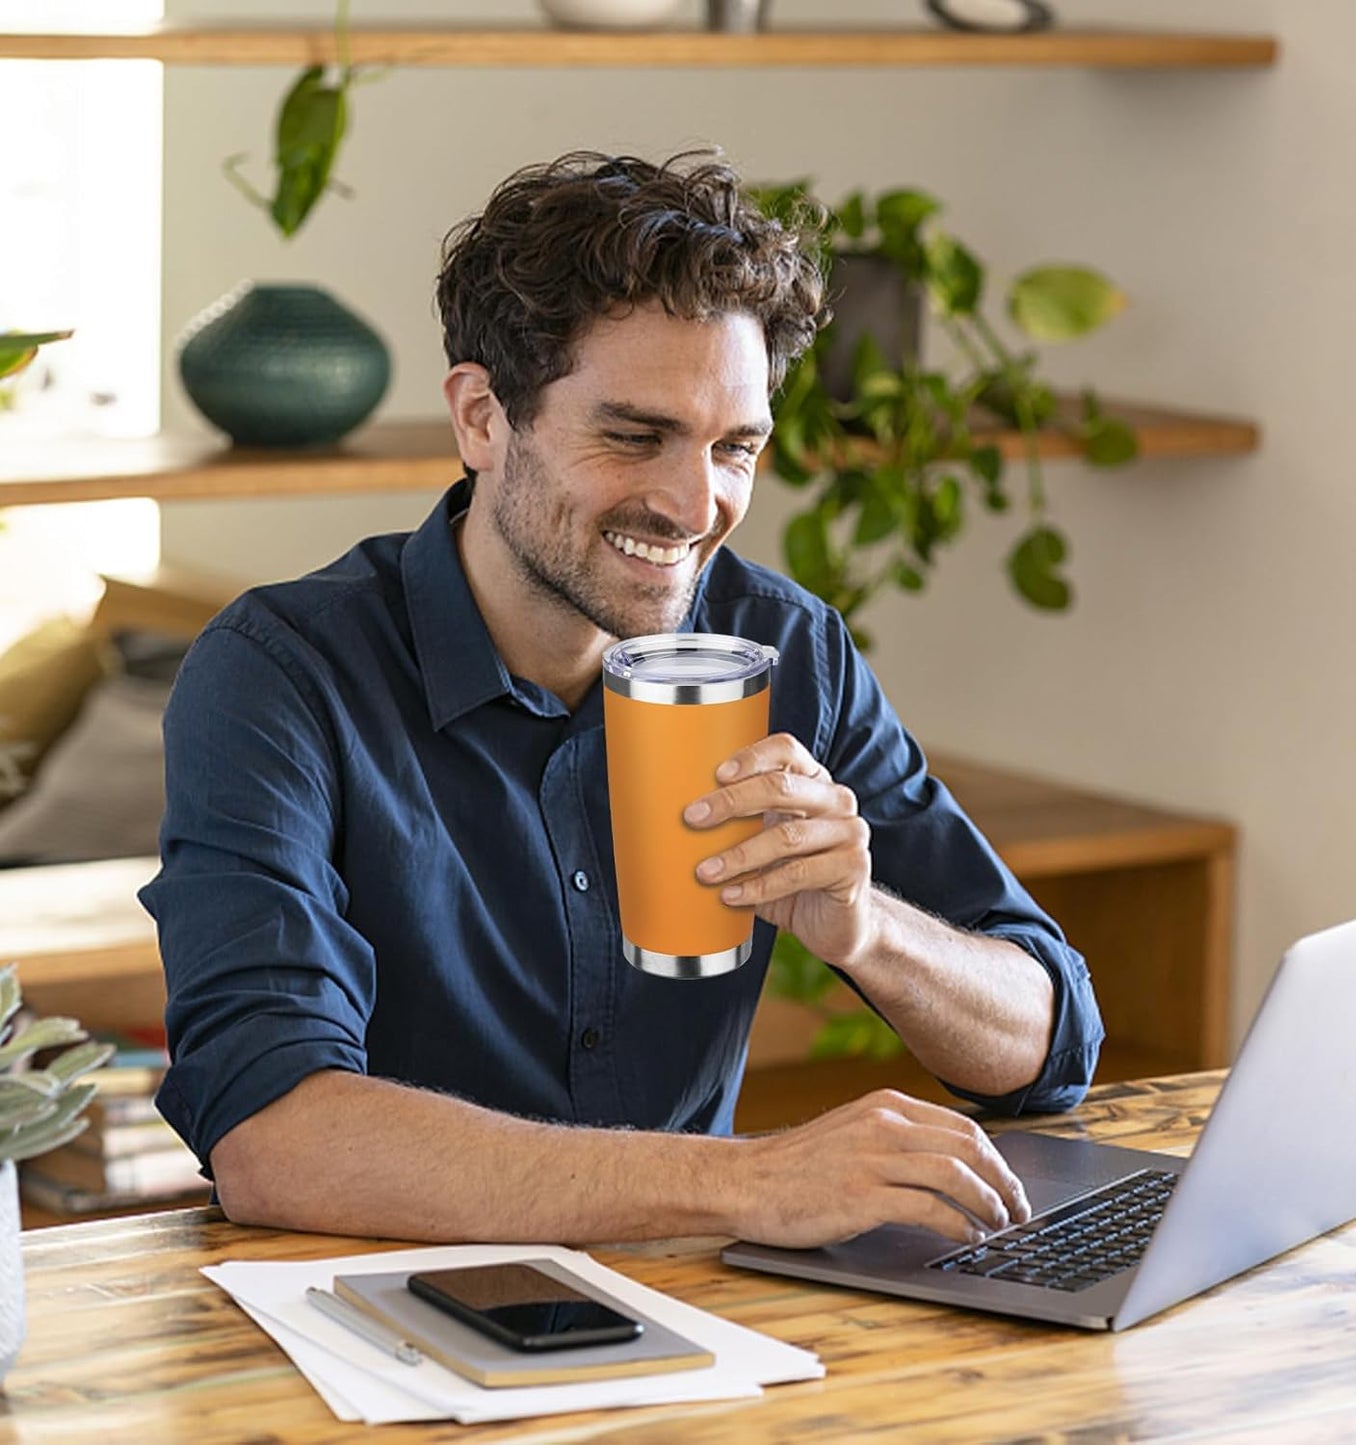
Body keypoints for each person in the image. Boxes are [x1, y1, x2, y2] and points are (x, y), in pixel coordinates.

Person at [142, 150, 1103, 1251]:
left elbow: (1046, 1041)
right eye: (634, 435)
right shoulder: (281, 675)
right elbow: (274, 1137)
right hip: (376, 1334)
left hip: (702, 1319)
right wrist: (748, 1184)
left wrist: (865, 924)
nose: (697, 504)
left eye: (734, 447)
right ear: (481, 417)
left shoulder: (785, 644)